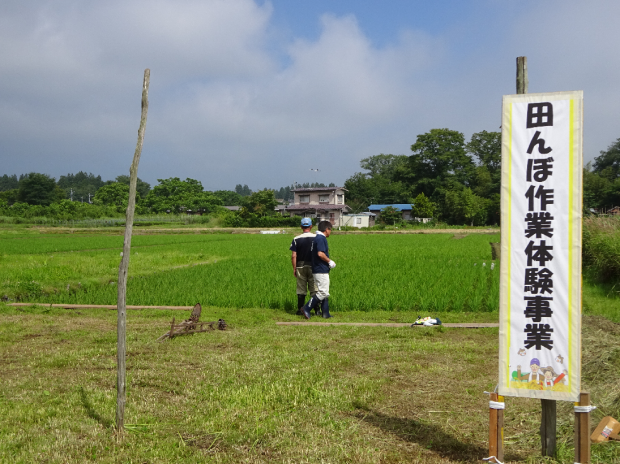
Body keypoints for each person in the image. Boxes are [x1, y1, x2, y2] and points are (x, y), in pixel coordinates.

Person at [301, 220, 335, 319]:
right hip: (321, 269)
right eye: (330, 230)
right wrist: (329, 261)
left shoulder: (317, 238)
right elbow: (320, 253)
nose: (330, 232)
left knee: (324, 291)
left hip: (317, 268)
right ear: (327, 229)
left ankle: (326, 313)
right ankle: (306, 308)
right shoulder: (321, 238)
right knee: (323, 292)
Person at [290, 217, 316, 315]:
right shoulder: (316, 238)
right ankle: (317, 310)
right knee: (314, 289)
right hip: (313, 266)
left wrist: (294, 268)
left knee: (301, 289)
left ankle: (300, 310)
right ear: (311, 226)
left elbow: (293, 255)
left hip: (300, 266)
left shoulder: (296, 239)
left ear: (301, 227)